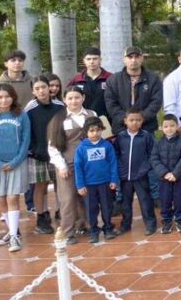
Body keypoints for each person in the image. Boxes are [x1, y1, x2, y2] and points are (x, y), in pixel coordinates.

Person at [0, 83, 30, 252]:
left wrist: (16, 161)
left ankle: (15, 236)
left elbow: (25, 140)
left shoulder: (21, 115)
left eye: (7, 96)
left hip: (16, 163)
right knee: (1, 198)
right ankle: (10, 231)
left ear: (13, 97)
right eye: (0, 97)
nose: (4, 100)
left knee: (12, 198)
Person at [46, 85, 97, 243]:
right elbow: (52, 146)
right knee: (67, 199)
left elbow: (103, 137)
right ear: (64, 100)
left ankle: (90, 225)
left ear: (83, 98)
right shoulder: (58, 119)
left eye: (77, 97)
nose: (74, 101)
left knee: (89, 196)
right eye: (70, 98)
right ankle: (68, 232)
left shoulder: (92, 114)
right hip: (67, 164)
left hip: (90, 164)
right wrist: (61, 166)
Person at [23, 75, 64, 235]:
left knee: (60, 183)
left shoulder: (60, 106)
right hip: (37, 155)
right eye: (37, 88)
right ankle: (42, 216)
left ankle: (61, 210)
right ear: (33, 91)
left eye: (44, 87)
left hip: (57, 153)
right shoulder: (29, 109)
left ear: (49, 88)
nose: (41, 91)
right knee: (40, 186)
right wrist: (32, 149)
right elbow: (26, 132)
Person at [73, 116, 118, 243]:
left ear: (102, 130)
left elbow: (113, 163)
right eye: (91, 130)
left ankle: (108, 228)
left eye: (97, 130)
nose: (95, 133)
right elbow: (78, 167)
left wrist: (114, 180)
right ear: (86, 132)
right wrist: (80, 185)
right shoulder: (81, 148)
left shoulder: (107, 145)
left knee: (107, 207)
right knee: (91, 209)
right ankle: (93, 231)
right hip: (89, 185)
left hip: (105, 183)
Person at [115, 109, 157, 236]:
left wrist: (145, 168)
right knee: (125, 202)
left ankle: (150, 224)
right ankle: (125, 225)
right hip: (125, 177)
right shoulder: (121, 137)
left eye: (138, 120)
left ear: (142, 121)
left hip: (140, 176)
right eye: (131, 120)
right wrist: (120, 168)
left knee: (145, 200)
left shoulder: (146, 136)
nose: (135, 123)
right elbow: (116, 154)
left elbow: (152, 154)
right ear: (125, 121)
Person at [104, 46, 163, 136]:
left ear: (142, 59)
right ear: (124, 60)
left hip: (147, 128)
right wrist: (127, 120)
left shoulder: (153, 79)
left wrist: (140, 119)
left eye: (137, 57)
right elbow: (110, 103)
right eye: (130, 57)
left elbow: (156, 102)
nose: (133, 60)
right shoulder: (113, 80)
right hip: (121, 129)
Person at [150, 114, 181, 234]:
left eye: (172, 126)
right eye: (166, 126)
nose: (169, 129)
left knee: (179, 199)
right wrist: (165, 173)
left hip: (179, 178)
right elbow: (154, 159)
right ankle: (167, 221)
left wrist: (175, 174)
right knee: (165, 199)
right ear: (161, 128)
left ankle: (180, 220)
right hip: (164, 179)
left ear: (177, 126)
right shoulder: (158, 143)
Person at [67, 47, 111, 121]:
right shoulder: (77, 79)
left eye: (95, 59)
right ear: (84, 61)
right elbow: (68, 98)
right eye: (88, 59)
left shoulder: (110, 78)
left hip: (105, 120)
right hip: (82, 121)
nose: (91, 62)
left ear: (100, 60)